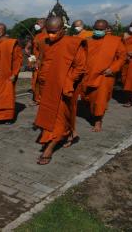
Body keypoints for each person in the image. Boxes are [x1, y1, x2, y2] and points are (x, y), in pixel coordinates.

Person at [34, 17, 86, 165]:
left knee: (58, 118)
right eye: (48, 32)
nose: (51, 35)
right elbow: (44, 60)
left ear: (63, 30)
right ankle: (69, 133)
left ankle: (49, 149)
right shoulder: (45, 42)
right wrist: (38, 65)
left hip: (62, 87)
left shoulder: (73, 43)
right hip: (46, 86)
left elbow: (80, 67)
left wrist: (67, 82)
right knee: (49, 115)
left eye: (54, 32)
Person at [81, 20, 127, 132]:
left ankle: (98, 121)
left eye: (101, 29)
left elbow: (122, 57)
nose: (98, 31)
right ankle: (94, 112)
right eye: (96, 28)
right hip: (88, 74)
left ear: (106, 30)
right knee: (87, 98)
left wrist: (113, 68)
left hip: (105, 75)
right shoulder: (87, 41)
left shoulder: (115, 41)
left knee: (100, 100)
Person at [24, 18, 47, 104]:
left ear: (44, 24)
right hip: (35, 61)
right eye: (36, 23)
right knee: (35, 80)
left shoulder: (48, 36)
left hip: (44, 63)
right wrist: (31, 61)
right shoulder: (37, 36)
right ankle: (38, 98)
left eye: (39, 23)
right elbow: (33, 51)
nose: (36, 25)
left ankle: (42, 98)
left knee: (42, 81)